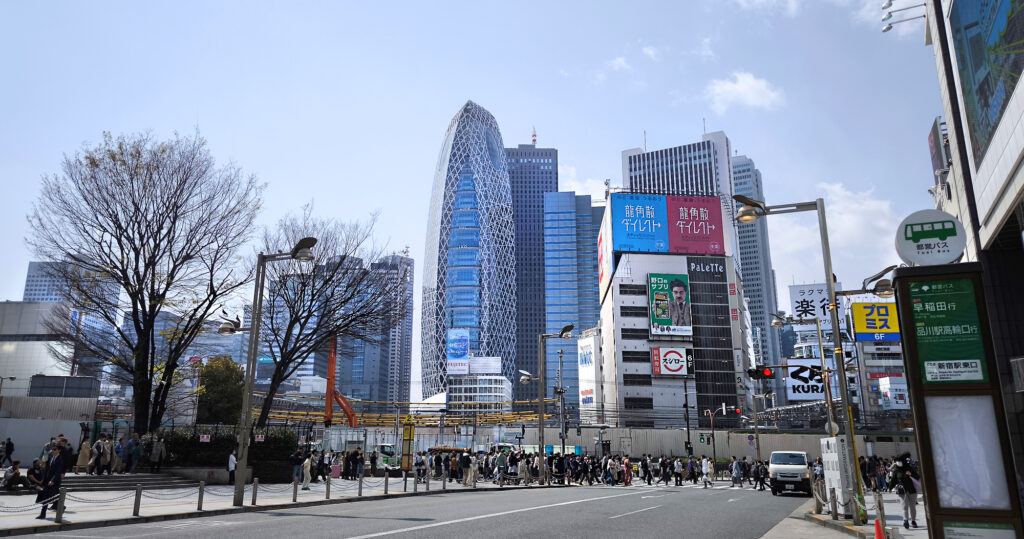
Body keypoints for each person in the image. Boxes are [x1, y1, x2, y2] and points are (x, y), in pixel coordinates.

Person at [888, 453, 920, 529]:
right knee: (904, 506)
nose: (897, 463)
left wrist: (910, 474)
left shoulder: (909, 468)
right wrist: (890, 488)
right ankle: (905, 521)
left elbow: (917, 477)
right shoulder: (896, 469)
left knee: (912, 507)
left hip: (912, 490)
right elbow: (893, 480)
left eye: (899, 461)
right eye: (897, 461)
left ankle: (913, 521)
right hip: (902, 490)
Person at [36, 445, 63, 520]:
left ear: (59, 450)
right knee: (46, 497)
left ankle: (61, 507)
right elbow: (47, 470)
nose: (53, 451)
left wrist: (52, 480)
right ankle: (42, 514)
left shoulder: (60, 459)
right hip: (48, 481)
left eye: (55, 449)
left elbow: (58, 472)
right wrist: (43, 480)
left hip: (54, 482)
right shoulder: (51, 458)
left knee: (54, 496)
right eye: (52, 449)